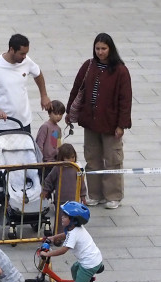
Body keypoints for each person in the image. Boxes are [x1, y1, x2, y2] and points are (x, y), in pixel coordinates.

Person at [66, 32, 132, 210]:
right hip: (91, 123)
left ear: (110, 49)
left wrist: (121, 125)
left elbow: (125, 100)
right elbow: (76, 89)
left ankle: (113, 196)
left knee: (113, 160)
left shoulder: (120, 70)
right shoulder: (88, 66)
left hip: (111, 125)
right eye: (97, 48)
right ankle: (95, 194)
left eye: (104, 48)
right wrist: (69, 111)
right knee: (92, 158)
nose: (100, 52)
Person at [40, 201, 103, 282]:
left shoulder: (74, 233)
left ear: (73, 220)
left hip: (89, 264)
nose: (62, 217)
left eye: (65, 216)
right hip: (91, 259)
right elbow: (64, 236)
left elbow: (63, 250)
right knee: (74, 267)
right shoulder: (73, 229)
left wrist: (48, 253)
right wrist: (52, 238)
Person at [0, 33, 52, 138]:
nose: (24, 57)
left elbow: (38, 74)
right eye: (22, 54)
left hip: (23, 122)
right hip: (2, 125)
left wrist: (44, 95)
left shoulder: (26, 62)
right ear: (12, 49)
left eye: (26, 54)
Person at [41, 144, 88, 234]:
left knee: (73, 219)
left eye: (72, 157)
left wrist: (83, 196)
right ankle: (58, 236)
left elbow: (81, 183)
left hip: (74, 201)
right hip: (60, 200)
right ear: (62, 158)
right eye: (67, 158)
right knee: (60, 219)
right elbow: (49, 180)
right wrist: (46, 190)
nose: (71, 160)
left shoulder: (77, 169)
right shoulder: (58, 168)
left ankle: (72, 236)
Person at [35, 99, 66, 178]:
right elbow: (39, 144)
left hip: (54, 161)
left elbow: (57, 145)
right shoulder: (45, 127)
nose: (58, 116)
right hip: (45, 162)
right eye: (56, 114)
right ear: (49, 113)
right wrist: (40, 160)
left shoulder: (58, 129)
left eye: (61, 114)